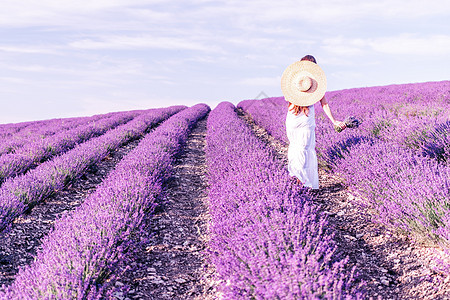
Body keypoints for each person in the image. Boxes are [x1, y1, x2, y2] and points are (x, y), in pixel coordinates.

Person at [281, 55, 345, 189]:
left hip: (292, 118)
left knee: (295, 147)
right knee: (305, 149)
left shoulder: (294, 81)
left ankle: (297, 177)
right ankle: (304, 182)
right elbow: (324, 104)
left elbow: (287, 96)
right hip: (305, 120)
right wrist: (334, 121)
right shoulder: (314, 84)